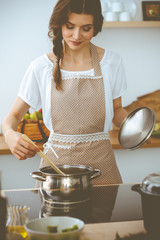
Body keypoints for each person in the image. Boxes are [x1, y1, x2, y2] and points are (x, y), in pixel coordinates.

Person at [2, 0, 128, 185]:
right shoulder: (41, 67)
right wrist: (10, 134)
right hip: (56, 170)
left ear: (96, 27)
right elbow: (12, 116)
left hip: (103, 168)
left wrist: (135, 126)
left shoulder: (112, 61)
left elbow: (117, 110)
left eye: (86, 28)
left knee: (104, 215)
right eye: (70, 26)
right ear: (59, 23)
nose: (76, 35)